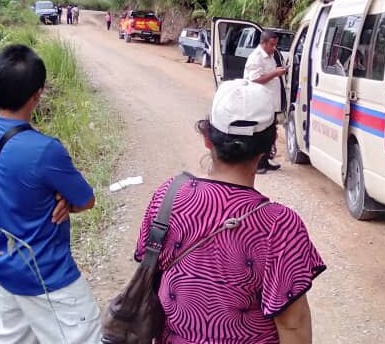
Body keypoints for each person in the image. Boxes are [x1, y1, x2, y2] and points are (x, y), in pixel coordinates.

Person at [134, 79, 326, 344]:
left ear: (206, 138)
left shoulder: (168, 196)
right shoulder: (278, 225)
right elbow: (293, 326)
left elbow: (149, 273)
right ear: (270, 145)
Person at [0, 44, 101, 343]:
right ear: (38, 94)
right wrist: (66, 202)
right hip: (47, 277)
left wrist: (57, 200)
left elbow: (14, 192)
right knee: (87, 332)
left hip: (4, 270)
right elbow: (87, 200)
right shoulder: (45, 150)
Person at [243, 30, 287, 174]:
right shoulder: (256, 57)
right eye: (272, 44)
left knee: (270, 133)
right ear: (263, 43)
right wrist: (275, 73)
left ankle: (265, 160)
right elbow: (254, 79)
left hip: (271, 102)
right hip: (259, 102)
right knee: (260, 133)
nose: (274, 48)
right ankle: (257, 164)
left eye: (275, 45)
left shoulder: (270, 56)